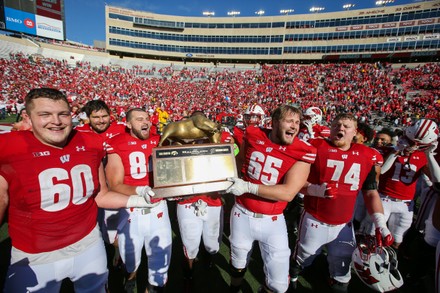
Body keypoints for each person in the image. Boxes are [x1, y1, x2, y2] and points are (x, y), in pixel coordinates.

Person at [0, 88, 155, 292]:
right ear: (28, 117)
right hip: (34, 253)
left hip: (88, 244)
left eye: (62, 114)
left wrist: (136, 200)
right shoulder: (10, 147)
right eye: (45, 114)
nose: (56, 121)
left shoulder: (90, 143)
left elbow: (101, 195)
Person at [289, 113, 393, 293]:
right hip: (315, 219)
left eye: (346, 126)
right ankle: (293, 279)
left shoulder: (367, 155)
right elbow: (294, 182)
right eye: (337, 125)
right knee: (303, 256)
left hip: (345, 224)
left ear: (355, 132)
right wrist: (316, 190)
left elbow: (370, 193)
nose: (341, 128)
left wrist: (381, 225)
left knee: (342, 264)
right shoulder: (315, 148)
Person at [225, 104, 317, 293]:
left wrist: (248, 186)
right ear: (275, 122)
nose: (294, 126)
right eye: (289, 121)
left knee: (279, 284)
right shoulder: (253, 134)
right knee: (237, 261)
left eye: (297, 122)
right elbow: (241, 159)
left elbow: (288, 192)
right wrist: (234, 176)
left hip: (273, 220)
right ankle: (234, 289)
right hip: (242, 213)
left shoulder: (304, 150)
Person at [105, 108, 172, 293]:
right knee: (130, 260)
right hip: (132, 210)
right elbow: (115, 184)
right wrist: (140, 190)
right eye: (139, 119)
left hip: (159, 208)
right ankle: (131, 277)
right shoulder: (117, 143)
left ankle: (152, 287)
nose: (145, 122)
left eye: (147, 119)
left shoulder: (159, 140)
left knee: (160, 262)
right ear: (128, 124)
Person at [360, 119, 438, 250]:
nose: (413, 146)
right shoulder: (387, 150)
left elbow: (437, 180)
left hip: (405, 204)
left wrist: (429, 155)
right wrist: (396, 151)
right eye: (411, 142)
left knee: (397, 240)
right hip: (383, 198)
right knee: (372, 235)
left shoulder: (422, 156)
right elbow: (382, 170)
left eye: (418, 145)